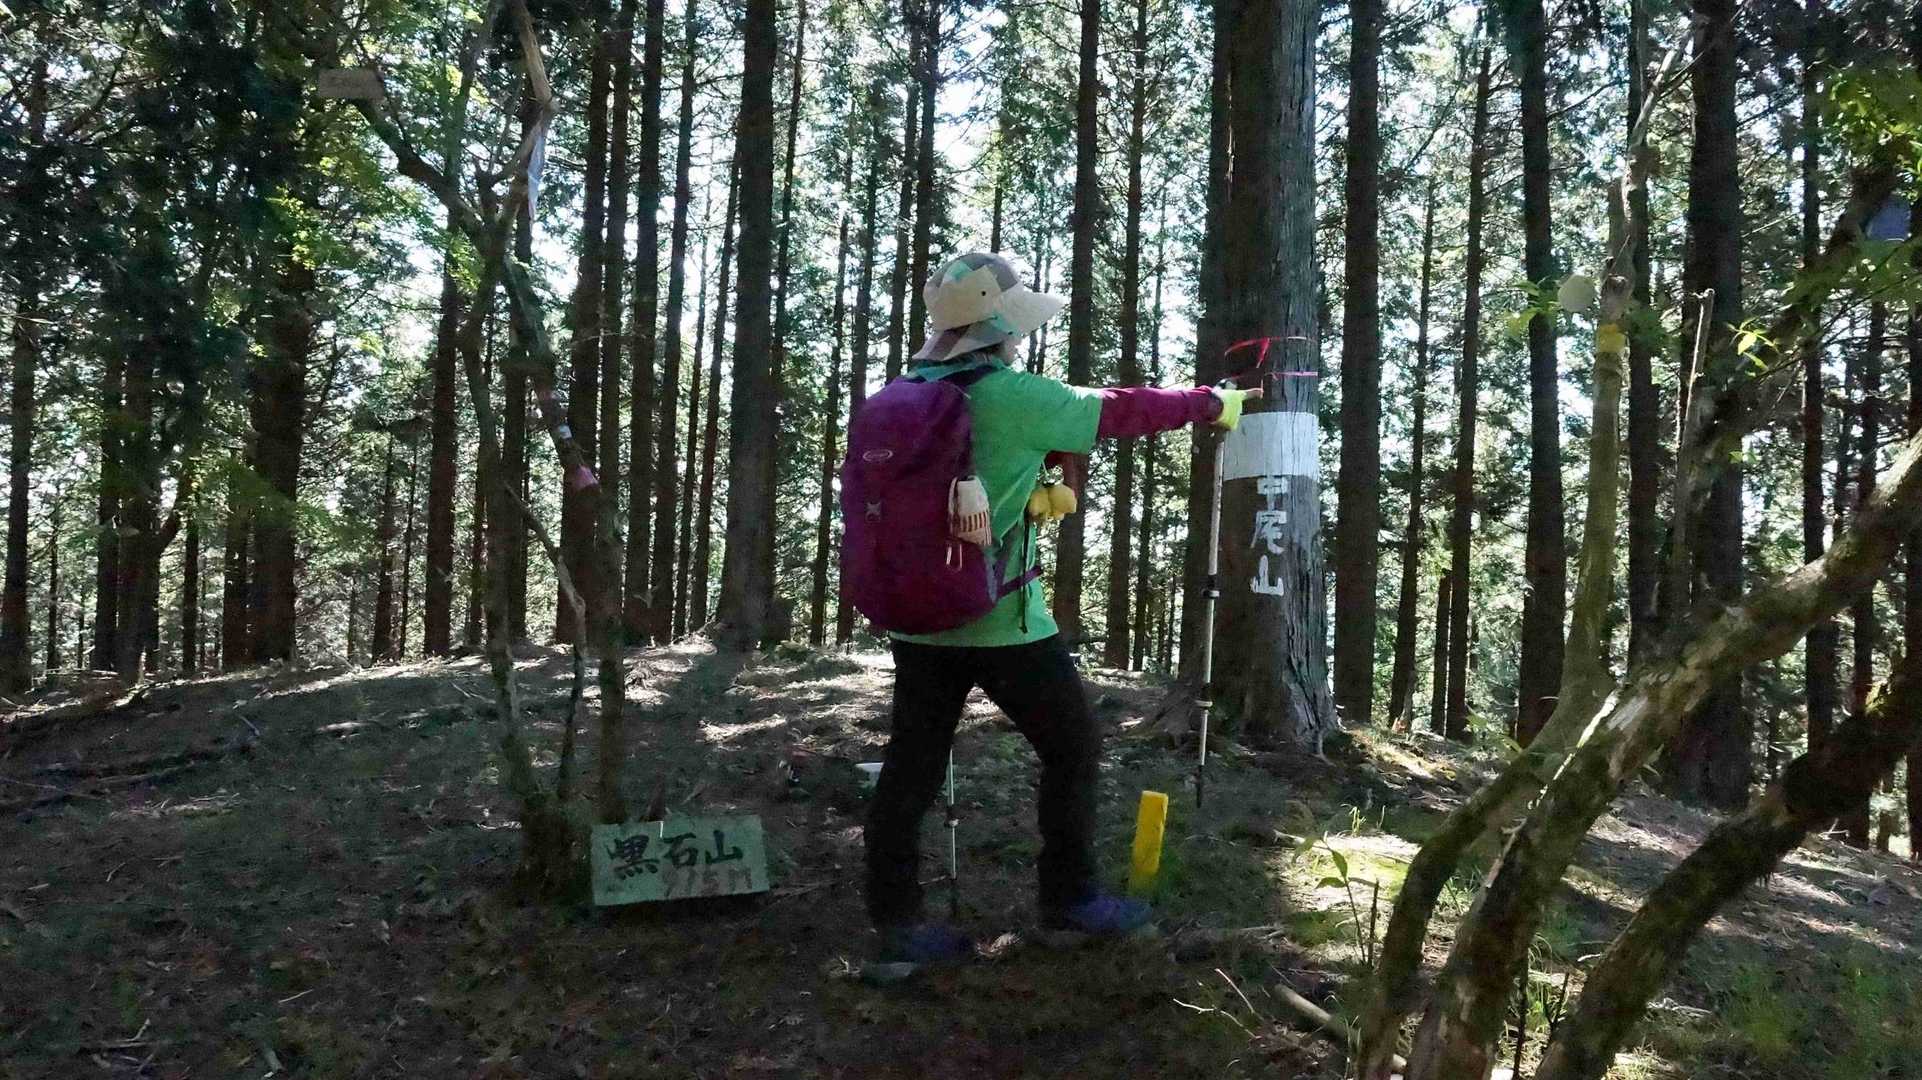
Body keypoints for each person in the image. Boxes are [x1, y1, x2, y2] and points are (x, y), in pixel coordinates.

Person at [864, 251, 1250, 965]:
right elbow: (1120, 409)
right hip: (1002, 622)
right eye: (1016, 324)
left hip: (918, 617)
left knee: (912, 763)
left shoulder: (900, 394)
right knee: (1073, 748)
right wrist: (1208, 403)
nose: (1022, 336)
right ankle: (1069, 900)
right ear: (996, 327)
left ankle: (896, 921)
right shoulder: (1015, 395)